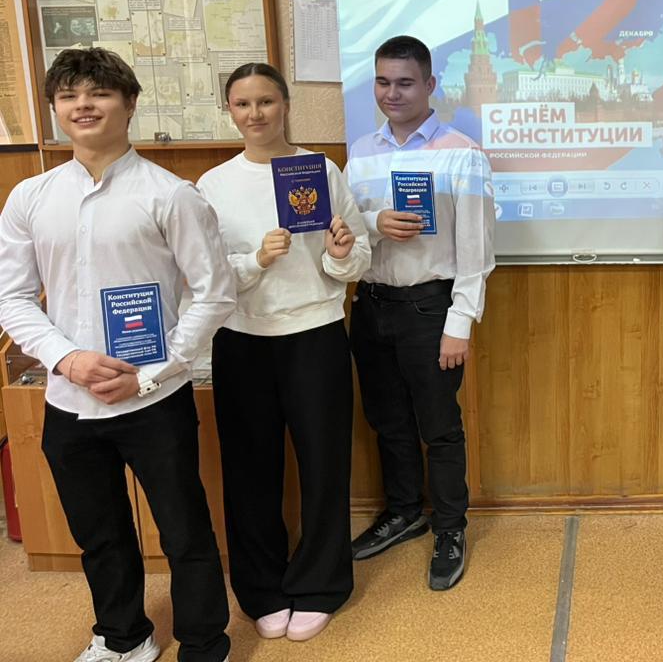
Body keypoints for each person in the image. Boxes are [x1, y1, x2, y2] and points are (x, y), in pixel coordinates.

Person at [0, 48, 235, 662]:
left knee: (183, 530)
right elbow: (12, 297)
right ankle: (123, 637)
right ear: (55, 109)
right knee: (99, 533)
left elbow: (215, 293)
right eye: (69, 95)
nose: (83, 105)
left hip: (153, 399)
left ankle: (204, 642)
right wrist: (66, 359)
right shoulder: (30, 196)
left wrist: (152, 375)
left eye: (99, 93)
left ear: (129, 104)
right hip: (68, 400)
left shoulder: (171, 195)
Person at [197, 63, 370, 642]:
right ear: (230, 111)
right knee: (250, 468)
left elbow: (356, 258)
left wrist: (341, 253)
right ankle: (262, 588)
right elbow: (204, 275)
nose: (255, 114)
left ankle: (321, 584)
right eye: (243, 104)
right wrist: (256, 260)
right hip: (242, 339)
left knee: (324, 465)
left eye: (266, 102)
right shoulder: (213, 185)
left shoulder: (320, 169)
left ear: (286, 106)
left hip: (315, 332)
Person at [345, 35, 495, 591]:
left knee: (439, 427)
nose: (393, 93)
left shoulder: (462, 152)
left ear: (430, 85)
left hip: (431, 308)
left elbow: (478, 251)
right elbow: (343, 229)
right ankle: (404, 512)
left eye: (405, 83)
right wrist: (372, 222)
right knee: (387, 421)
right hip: (371, 305)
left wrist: (460, 323)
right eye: (383, 82)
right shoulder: (361, 152)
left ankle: (450, 528)